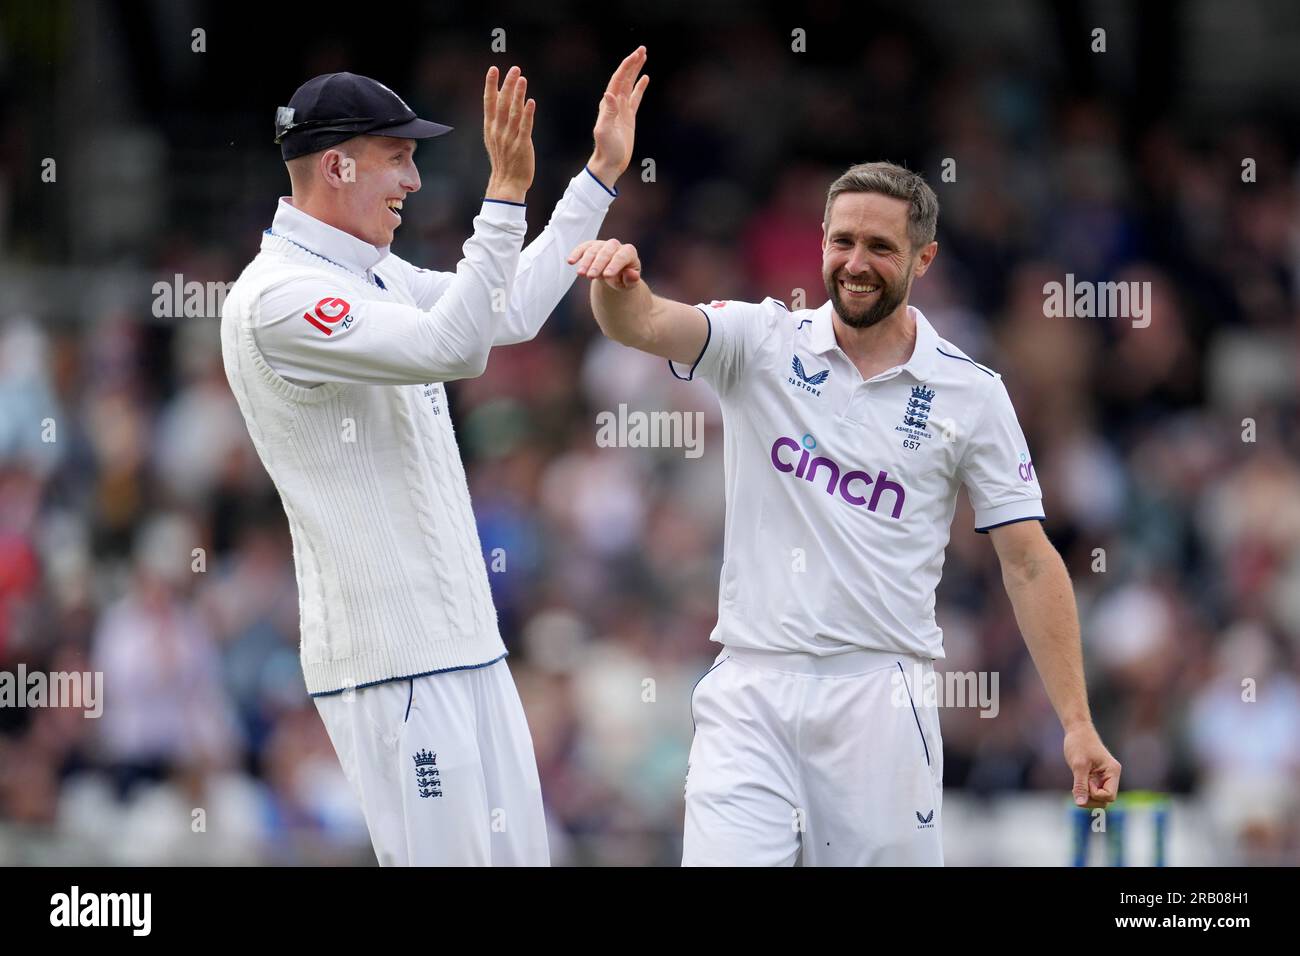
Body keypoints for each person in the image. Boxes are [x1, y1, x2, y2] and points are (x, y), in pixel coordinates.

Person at [569, 161, 1121, 866]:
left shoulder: (971, 393)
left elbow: (1028, 560)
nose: (856, 264)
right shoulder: (760, 340)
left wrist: (1076, 724)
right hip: (751, 692)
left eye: (881, 248)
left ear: (924, 257)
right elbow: (641, 321)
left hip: (881, 700)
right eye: (843, 241)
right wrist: (618, 284)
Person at [220, 50, 649, 865]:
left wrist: (596, 175)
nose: (414, 181)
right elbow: (457, 346)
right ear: (336, 164)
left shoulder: (371, 275)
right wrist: (505, 192)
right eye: (398, 157)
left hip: (468, 650)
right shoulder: (278, 297)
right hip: (394, 665)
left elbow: (506, 311)